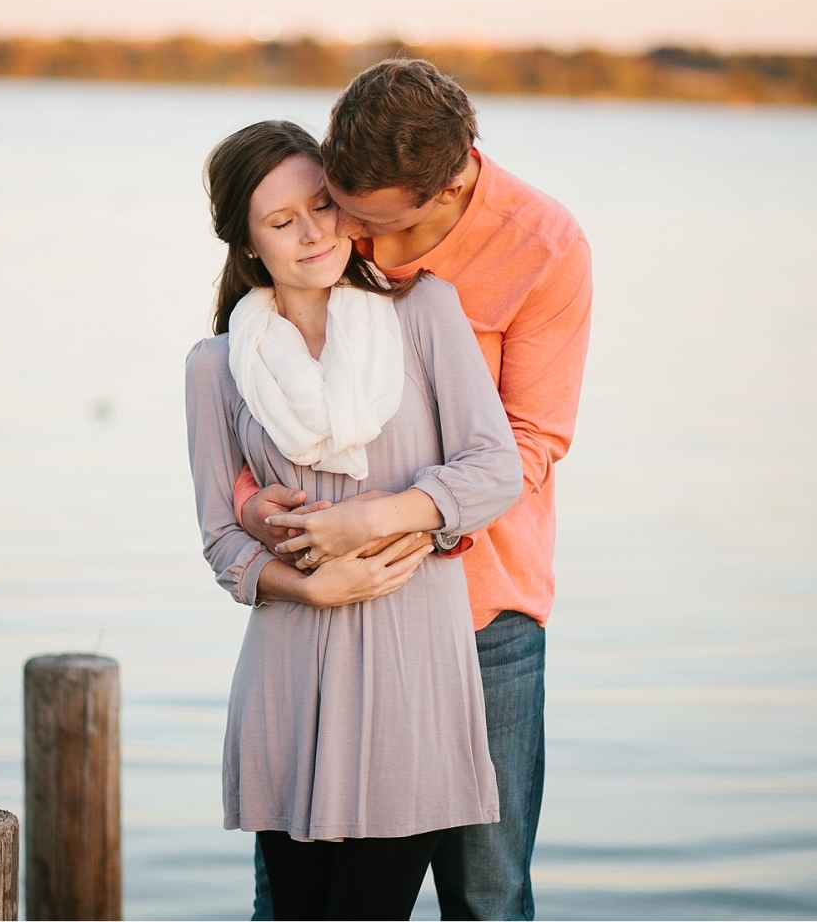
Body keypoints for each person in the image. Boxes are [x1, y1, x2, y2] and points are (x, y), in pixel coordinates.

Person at [239, 60, 593, 921]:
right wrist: (252, 504)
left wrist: (402, 525)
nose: (355, 243)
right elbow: (255, 389)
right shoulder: (323, 217)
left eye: (377, 222)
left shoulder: (543, 249)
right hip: (331, 612)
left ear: (451, 184)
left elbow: (532, 444)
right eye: (339, 208)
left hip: (480, 620)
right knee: (295, 896)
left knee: (486, 894)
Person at [185, 119, 523, 920]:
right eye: (281, 221)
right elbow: (219, 538)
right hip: (287, 680)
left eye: (321, 205)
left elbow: (494, 468)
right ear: (246, 242)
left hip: (412, 682)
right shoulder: (214, 367)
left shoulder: (423, 312)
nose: (313, 233)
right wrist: (310, 588)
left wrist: (375, 520)